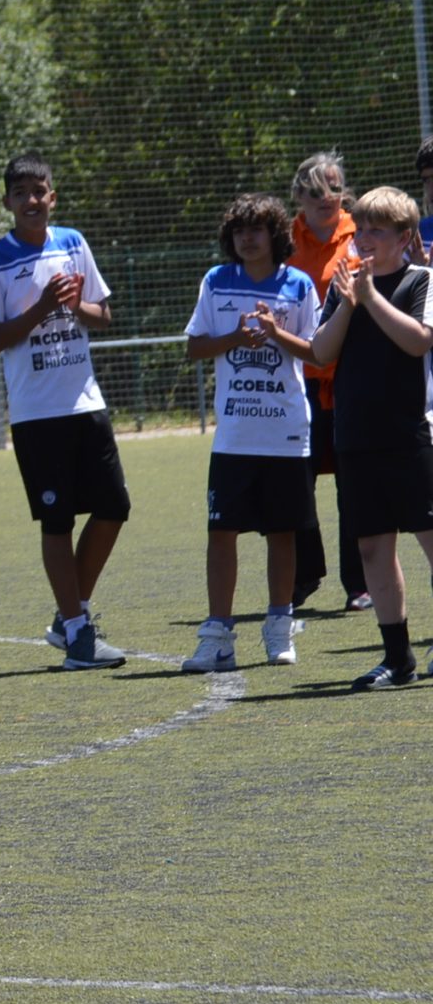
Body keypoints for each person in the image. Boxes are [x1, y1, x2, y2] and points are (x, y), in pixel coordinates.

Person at [0, 153, 128, 670]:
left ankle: (69, 617)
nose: (31, 201)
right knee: (57, 520)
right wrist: (42, 306)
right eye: (21, 193)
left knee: (114, 507)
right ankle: (80, 635)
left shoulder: (73, 243)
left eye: (39, 191)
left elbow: (102, 315)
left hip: (85, 401)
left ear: (52, 197)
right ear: (8, 203)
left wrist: (73, 307)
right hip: (36, 414)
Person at [182, 195, 322, 673]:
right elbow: (195, 347)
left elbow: (316, 352)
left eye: (257, 229)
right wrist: (237, 338)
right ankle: (218, 634)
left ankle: (279, 626)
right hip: (234, 437)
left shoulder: (299, 286)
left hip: (285, 434)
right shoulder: (216, 282)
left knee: (281, 533)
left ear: (275, 235)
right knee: (221, 531)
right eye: (240, 229)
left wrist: (274, 333)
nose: (248, 237)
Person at [310, 187, 433, 690]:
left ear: (405, 237)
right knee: (372, 550)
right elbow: (320, 352)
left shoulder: (420, 280)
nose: (363, 240)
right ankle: (397, 657)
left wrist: (372, 298)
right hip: (356, 437)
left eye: (376, 231)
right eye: (359, 230)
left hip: (411, 435)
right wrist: (347, 303)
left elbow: (418, 340)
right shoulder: (344, 286)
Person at [284, 154, 364, 611]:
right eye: (316, 191)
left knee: (353, 482)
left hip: (349, 377)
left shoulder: (360, 235)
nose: (326, 198)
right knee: (298, 479)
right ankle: (304, 576)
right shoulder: (285, 241)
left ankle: (360, 584)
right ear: (300, 196)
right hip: (299, 379)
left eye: (334, 189)